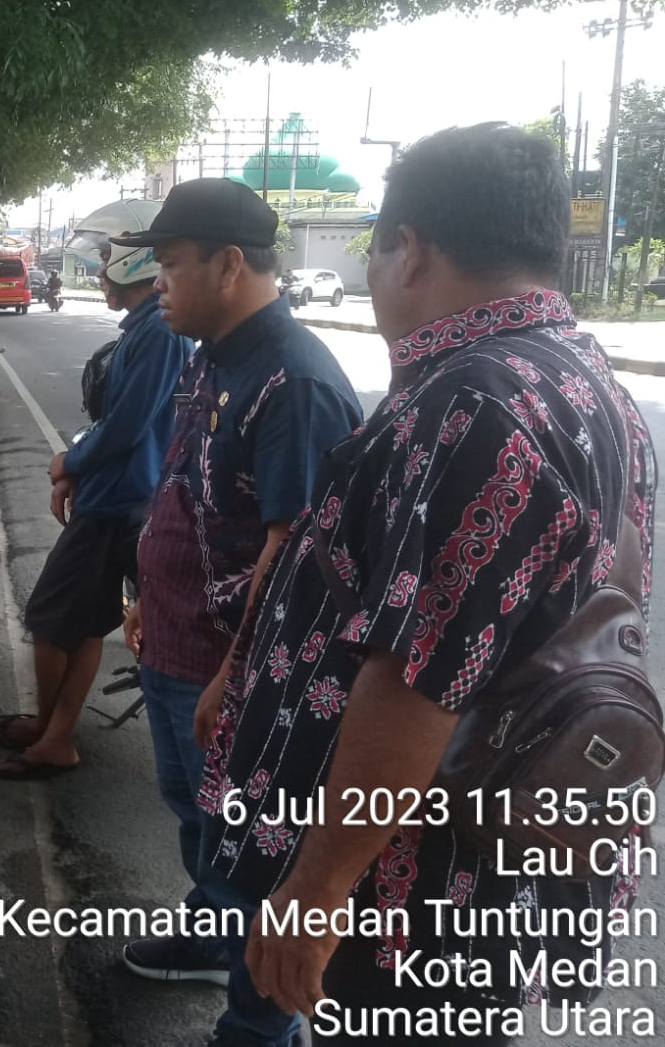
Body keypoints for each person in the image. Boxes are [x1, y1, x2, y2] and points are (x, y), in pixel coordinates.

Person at [198, 124, 656, 1046]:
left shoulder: (471, 404)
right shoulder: (581, 375)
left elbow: (418, 681)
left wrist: (317, 892)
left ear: (409, 248)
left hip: (414, 900)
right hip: (492, 858)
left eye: (376, 248)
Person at [114, 178, 361, 1047]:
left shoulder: (294, 384)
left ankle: (255, 1030)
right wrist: (145, 595)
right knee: (198, 824)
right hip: (176, 648)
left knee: (260, 861)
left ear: (228, 264)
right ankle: (209, 934)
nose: (158, 281)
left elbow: (293, 559)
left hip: (236, 683)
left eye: (171, 263)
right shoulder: (213, 356)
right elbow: (189, 493)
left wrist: (235, 673)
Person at [0, 238, 192, 779]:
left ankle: (54, 734)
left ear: (133, 266)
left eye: (105, 263)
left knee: (51, 617)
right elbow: (114, 420)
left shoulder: (159, 335)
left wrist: (70, 462)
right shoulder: (143, 331)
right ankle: (53, 730)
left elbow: (126, 427)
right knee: (78, 622)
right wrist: (75, 464)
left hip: (120, 500)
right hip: (110, 492)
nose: (99, 273)